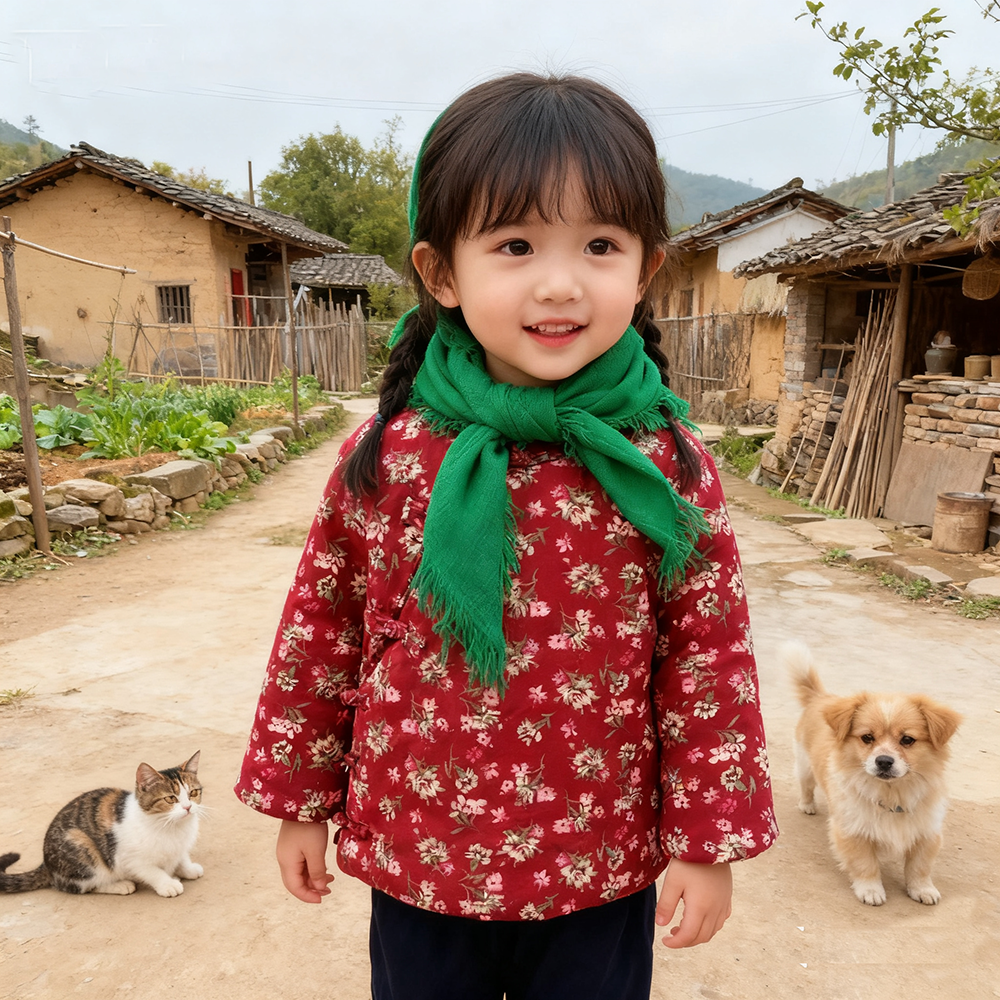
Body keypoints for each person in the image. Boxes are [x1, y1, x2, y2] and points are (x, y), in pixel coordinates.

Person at [235, 72, 777, 1000]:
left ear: (645, 268)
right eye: (516, 245)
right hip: (422, 850)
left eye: (600, 245)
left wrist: (707, 841)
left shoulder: (665, 465)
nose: (560, 283)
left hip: (596, 857)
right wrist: (300, 803)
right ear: (441, 272)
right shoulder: (390, 453)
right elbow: (323, 626)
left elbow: (707, 654)